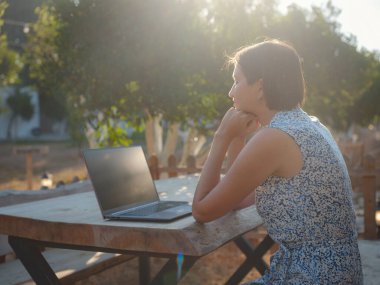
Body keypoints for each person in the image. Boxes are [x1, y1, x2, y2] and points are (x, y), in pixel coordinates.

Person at [192, 39, 363, 284]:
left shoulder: (275, 137)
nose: (231, 92)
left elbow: (202, 210)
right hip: (332, 272)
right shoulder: (307, 124)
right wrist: (238, 136)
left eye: (237, 80)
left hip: (312, 276)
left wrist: (222, 137)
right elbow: (236, 199)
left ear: (260, 86)